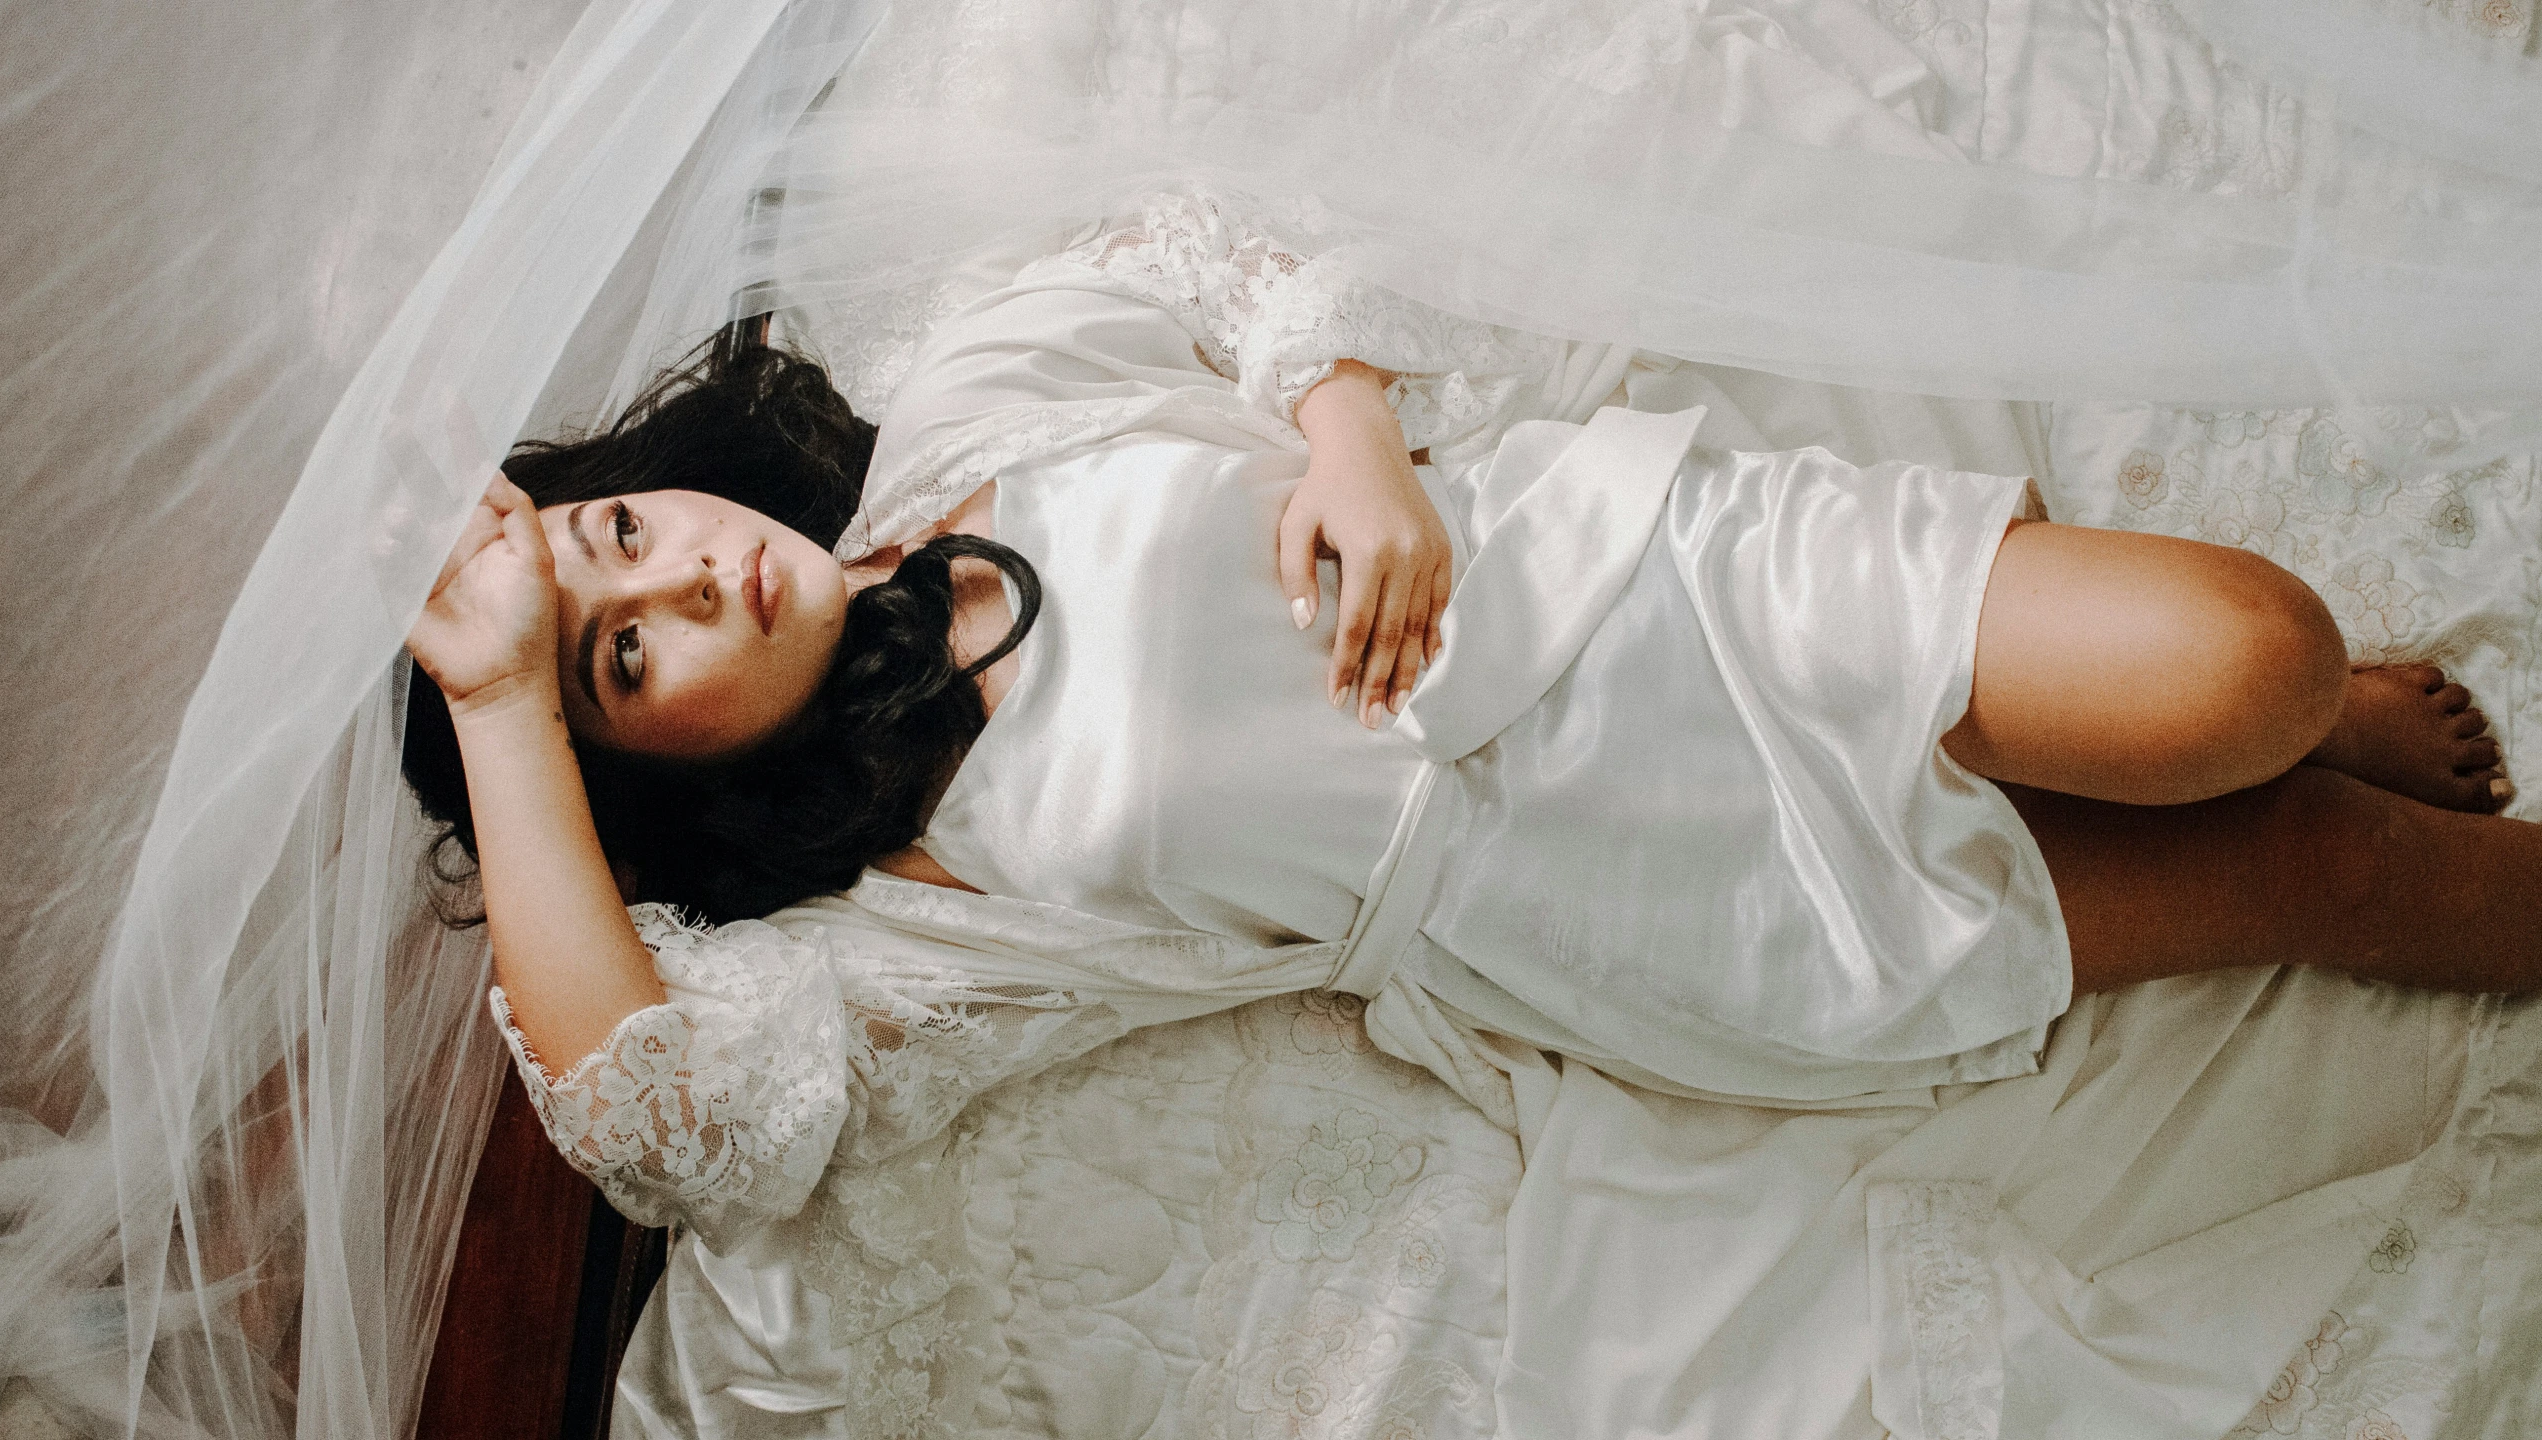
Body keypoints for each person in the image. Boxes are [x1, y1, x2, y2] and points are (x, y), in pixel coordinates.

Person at [402, 191, 2535, 1247]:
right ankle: (2331, 825)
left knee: (2243, 658)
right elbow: (658, 1129)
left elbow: (1216, 245)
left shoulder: (965, 429)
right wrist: (500, 701)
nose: (678, 579)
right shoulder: (893, 933)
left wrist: (1350, 436)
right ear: (634, 784)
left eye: (616, 539)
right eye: (617, 661)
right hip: (1633, 896)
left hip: (1651, 580)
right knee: (2318, 875)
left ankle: (2298, 709)